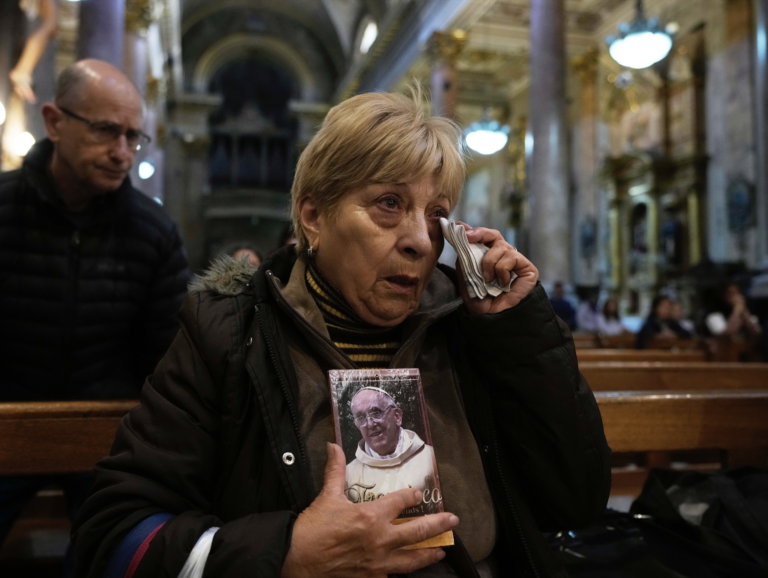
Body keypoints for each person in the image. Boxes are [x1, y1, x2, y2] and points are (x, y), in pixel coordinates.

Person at [72, 89, 610, 578]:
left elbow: (576, 501)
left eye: (436, 215)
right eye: (389, 204)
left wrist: (519, 332)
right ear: (313, 215)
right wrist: (286, 553)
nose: (421, 242)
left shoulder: (472, 332)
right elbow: (114, 535)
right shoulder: (229, 334)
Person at [0, 60, 190, 549]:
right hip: (5, 419)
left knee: (113, 553)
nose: (122, 152)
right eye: (107, 131)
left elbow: (163, 359)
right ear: (54, 121)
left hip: (107, 439)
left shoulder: (155, 233)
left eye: (133, 136)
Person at [345, 388, 437, 503]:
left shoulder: (431, 458)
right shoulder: (348, 475)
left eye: (376, 413)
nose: (370, 424)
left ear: (397, 416)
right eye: (361, 418)